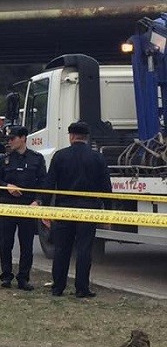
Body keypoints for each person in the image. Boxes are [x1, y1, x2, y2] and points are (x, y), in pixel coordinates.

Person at [39, 121, 112, 298]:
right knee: (84, 249)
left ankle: (58, 287)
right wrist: (108, 213)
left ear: (71, 137)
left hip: (64, 208)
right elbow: (106, 188)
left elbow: (49, 184)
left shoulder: (60, 156)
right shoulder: (97, 158)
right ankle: (82, 288)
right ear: (86, 138)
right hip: (89, 209)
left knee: (62, 249)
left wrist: (45, 209)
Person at [0, 126, 46, 291]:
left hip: (27, 206)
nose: (10, 141)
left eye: (13, 138)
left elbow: (43, 183)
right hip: (7, 206)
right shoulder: (5, 159)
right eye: (9, 139)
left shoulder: (37, 159)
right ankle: (6, 276)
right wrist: (7, 186)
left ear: (23, 138)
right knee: (5, 243)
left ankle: (23, 278)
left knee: (26, 245)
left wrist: (38, 201)